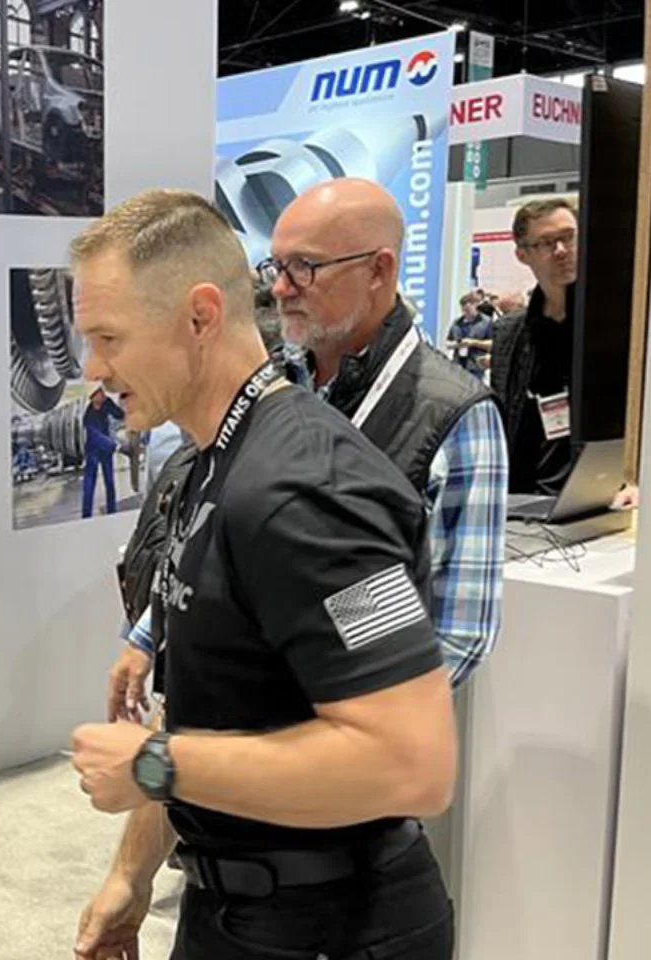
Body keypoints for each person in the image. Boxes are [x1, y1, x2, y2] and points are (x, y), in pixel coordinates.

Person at [69, 188, 457, 960]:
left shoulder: (306, 490)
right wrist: (133, 872)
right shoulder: (209, 463)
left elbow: (412, 763)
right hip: (238, 906)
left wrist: (153, 764)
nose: (93, 369)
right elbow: (213, 710)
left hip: (336, 926)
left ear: (200, 316)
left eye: (109, 337)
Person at [105, 180, 507, 722]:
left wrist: (322, 727)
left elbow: (458, 632)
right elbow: (206, 534)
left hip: (328, 760)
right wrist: (149, 633)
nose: (281, 289)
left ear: (379, 271)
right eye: (276, 267)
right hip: (221, 722)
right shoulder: (266, 384)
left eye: (305, 268)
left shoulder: (454, 415)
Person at [491, 197, 579, 495]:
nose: (561, 251)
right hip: (523, 502)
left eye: (569, 237)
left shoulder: (613, 327)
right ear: (522, 255)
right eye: (546, 243)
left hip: (594, 496)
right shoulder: (509, 334)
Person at [82, 386, 125, 518]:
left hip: (106, 450)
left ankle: (112, 511)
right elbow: (94, 436)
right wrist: (115, 446)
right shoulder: (87, 415)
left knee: (110, 482)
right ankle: (86, 514)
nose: (102, 394)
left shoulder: (106, 404)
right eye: (99, 393)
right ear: (93, 397)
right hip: (93, 450)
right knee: (90, 483)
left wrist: (111, 402)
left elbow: (120, 415)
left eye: (102, 392)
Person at [447, 291, 496, 376]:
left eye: (468, 310)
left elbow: (492, 344)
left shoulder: (486, 322)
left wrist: (473, 343)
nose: (466, 313)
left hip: (476, 367)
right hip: (458, 366)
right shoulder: (456, 323)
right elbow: (448, 343)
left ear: (475, 305)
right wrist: (457, 344)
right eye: (463, 310)